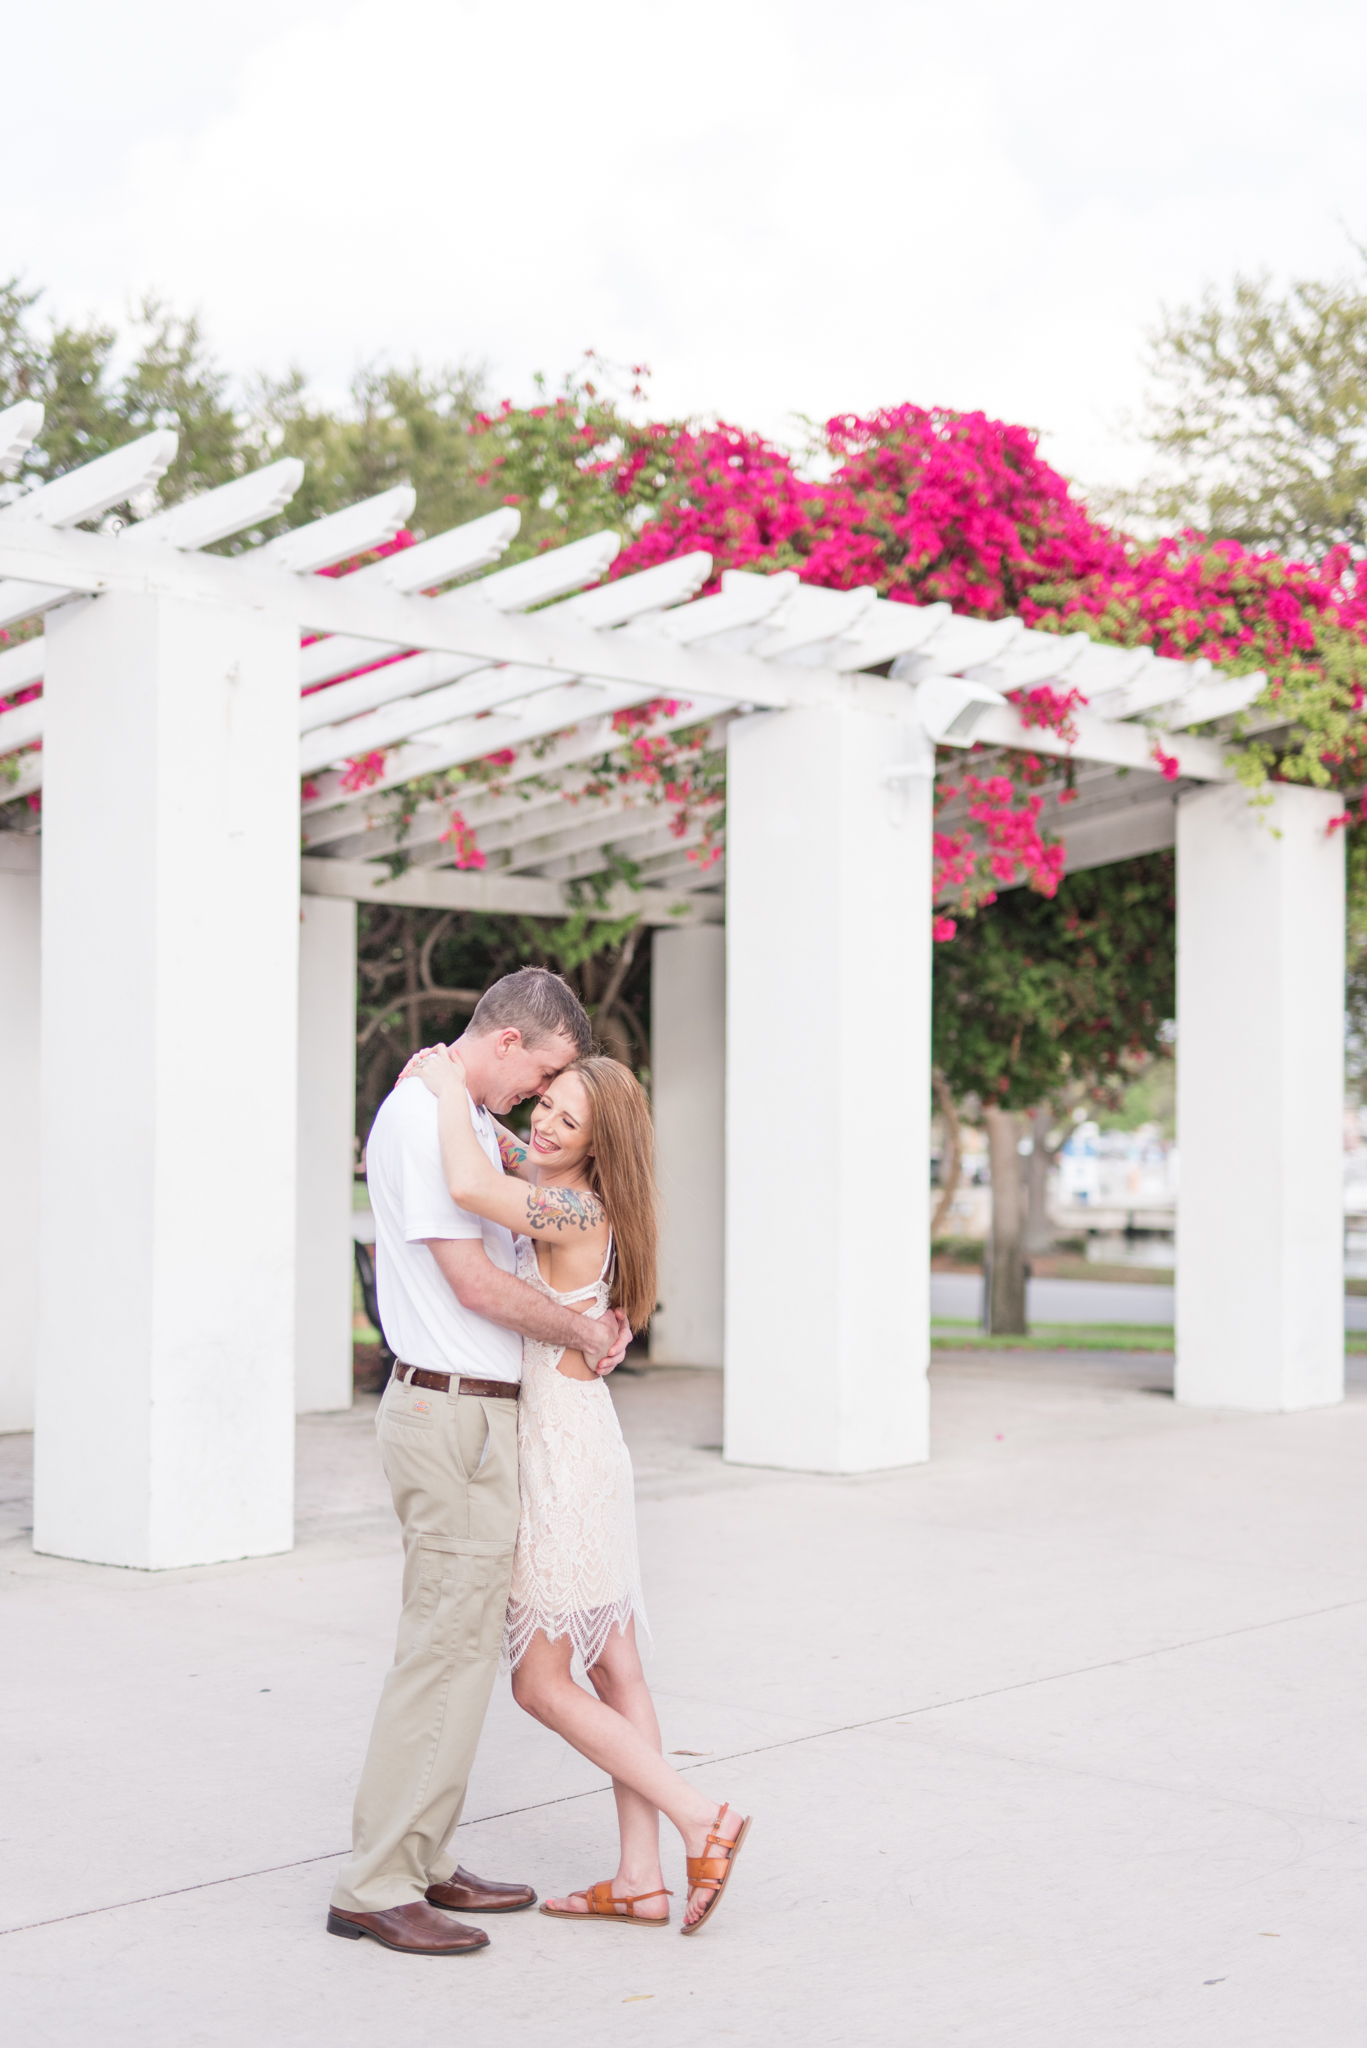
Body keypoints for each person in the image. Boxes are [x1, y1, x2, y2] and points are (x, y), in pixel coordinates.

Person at [407, 1038, 751, 1936]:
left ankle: (698, 1817)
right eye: (544, 1104)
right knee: (616, 1662)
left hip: (563, 1456)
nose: (544, 1124)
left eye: (568, 1119)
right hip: (582, 1442)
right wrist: (484, 1109)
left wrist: (445, 1086)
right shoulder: (573, 1186)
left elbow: (475, 1189)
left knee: (541, 1683)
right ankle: (639, 1878)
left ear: (600, 1147)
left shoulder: (572, 1205)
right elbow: (508, 1157)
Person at [326, 968, 632, 1959]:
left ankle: (417, 1853)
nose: (533, 1099)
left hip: (473, 1416)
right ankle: (378, 1880)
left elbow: (513, 1202)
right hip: (451, 1415)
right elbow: (470, 1280)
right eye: (539, 1074)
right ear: (507, 1042)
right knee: (445, 1650)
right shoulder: (427, 1115)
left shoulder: (457, 1111)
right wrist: (582, 1334)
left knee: (460, 1650)